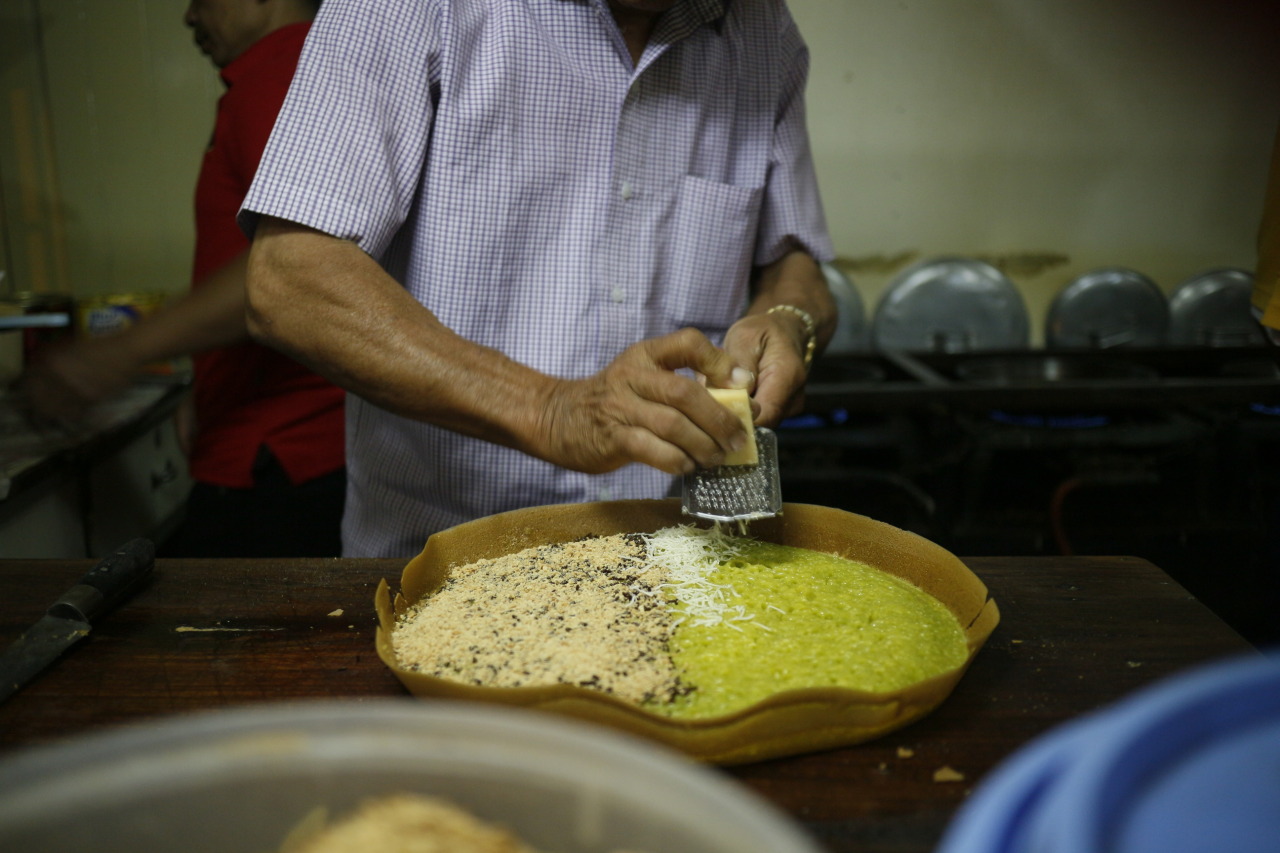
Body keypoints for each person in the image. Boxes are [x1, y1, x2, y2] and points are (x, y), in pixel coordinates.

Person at [240, 0, 838, 558]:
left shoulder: (762, 27)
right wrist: (550, 410)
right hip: (447, 563)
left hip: (675, 558)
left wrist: (790, 320)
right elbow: (290, 278)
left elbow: (796, 264)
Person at [20, 0, 345, 558]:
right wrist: (209, 384)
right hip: (276, 443)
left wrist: (115, 354)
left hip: (281, 453)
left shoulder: (283, 69)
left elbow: (297, 260)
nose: (190, 17)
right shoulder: (283, 75)